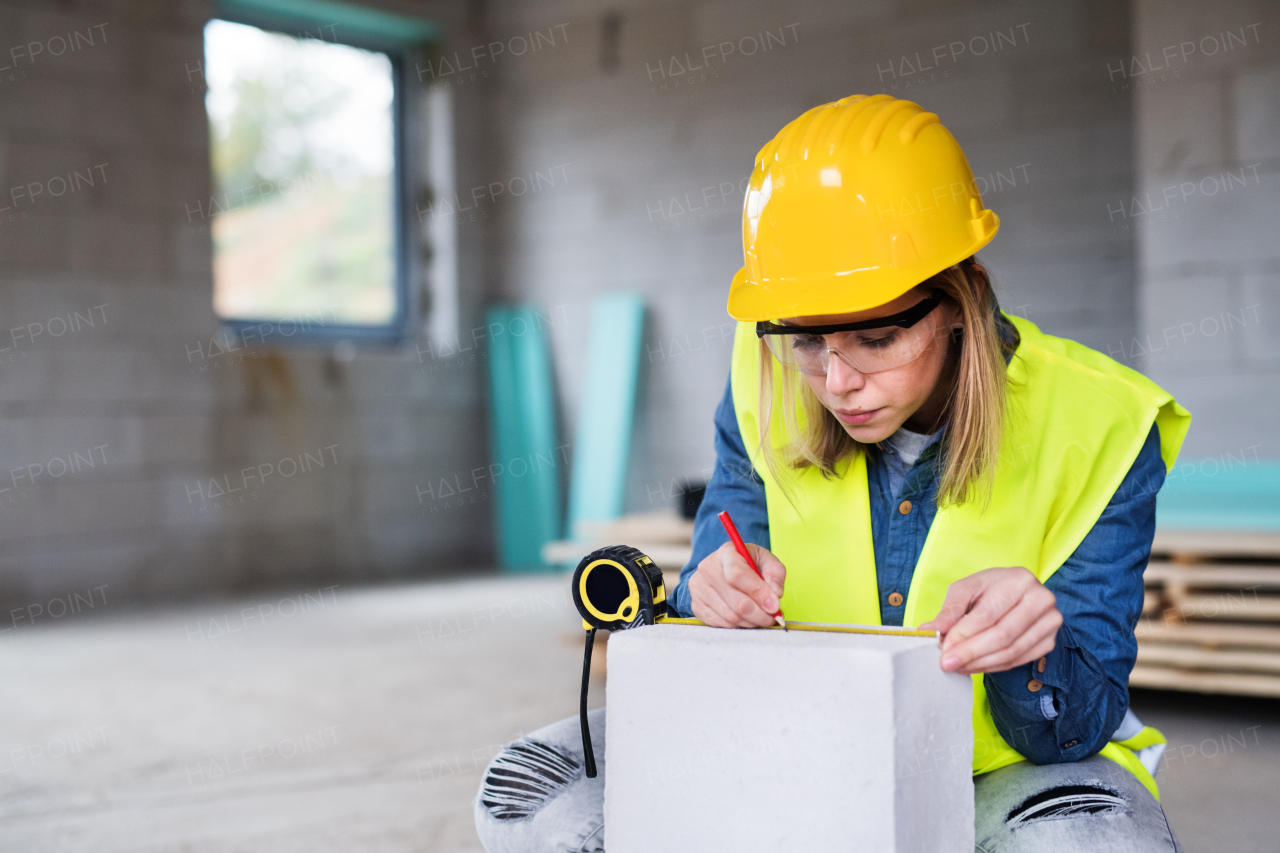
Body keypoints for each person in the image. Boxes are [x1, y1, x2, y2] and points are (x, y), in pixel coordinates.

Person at [474, 94, 1189, 852]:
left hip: (994, 770)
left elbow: (1072, 730)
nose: (836, 379)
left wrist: (1027, 649)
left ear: (963, 299)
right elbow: (721, 571)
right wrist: (706, 589)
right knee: (526, 788)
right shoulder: (762, 376)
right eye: (806, 339)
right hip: (789, 729)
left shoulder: (1103, 423)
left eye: (877, 337)